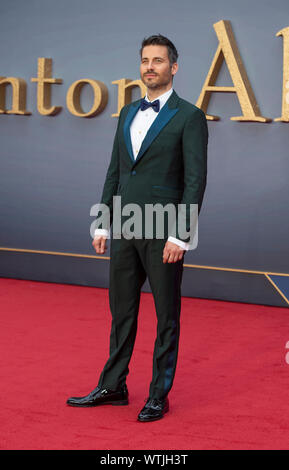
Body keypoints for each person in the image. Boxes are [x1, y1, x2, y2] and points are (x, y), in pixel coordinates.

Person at [67, 34, 208, 422]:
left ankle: (158, 394)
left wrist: (181, 234)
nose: (150, 67)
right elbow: (115, 170)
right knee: (122, 312)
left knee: (166, 316)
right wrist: (102, 223)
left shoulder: (190, 116)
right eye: (145, 60)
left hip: (165, 232)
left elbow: (195, 181)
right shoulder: (128, 112)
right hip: (126, 228)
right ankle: (113, 385)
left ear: (173, 67)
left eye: (158, 61)